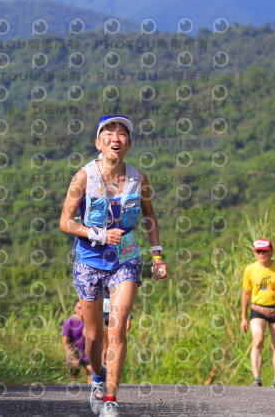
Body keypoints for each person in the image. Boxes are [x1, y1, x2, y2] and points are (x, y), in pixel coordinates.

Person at [60, 115, 168, 417]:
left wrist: (157, 255)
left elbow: (149, 215)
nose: (115, 138)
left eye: (121, 134)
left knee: (118, 330)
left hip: (126, 257)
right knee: (94, 336)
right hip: (89, 260)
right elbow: (65, 222)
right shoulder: (83, 177)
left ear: (128, 144)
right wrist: (98, 234)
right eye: (108, 134)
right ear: (98, 143)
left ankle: (110, 399)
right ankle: (97, 378)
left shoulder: (138, 178)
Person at [240, 238, 275, 388]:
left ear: (271, 251)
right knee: (257, 340)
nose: (262, 254)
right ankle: (257, 378)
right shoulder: (250, 269)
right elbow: (246, 293)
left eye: (264, 251)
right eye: (258, 251)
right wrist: (243, 318)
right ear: (254, 252)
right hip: (258, 309)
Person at [63, 301, 93, 383]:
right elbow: (65, 342)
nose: (82, 310)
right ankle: (72, 387)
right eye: (79, 308)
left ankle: (91, 388)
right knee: (74, 373)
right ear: (75, 308)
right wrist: (72, 356)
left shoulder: (90, 321)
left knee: (90, 370)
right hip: (74, 352)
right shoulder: (69, 322)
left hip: (86, 353)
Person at [102, 288, 132, 366]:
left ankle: (112, 366)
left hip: (114, 319)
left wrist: (129, 318)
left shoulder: (119, 291)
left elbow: (126, 304)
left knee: (114, 344)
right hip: (103, 320)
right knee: (105, 346)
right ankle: (103, 366)